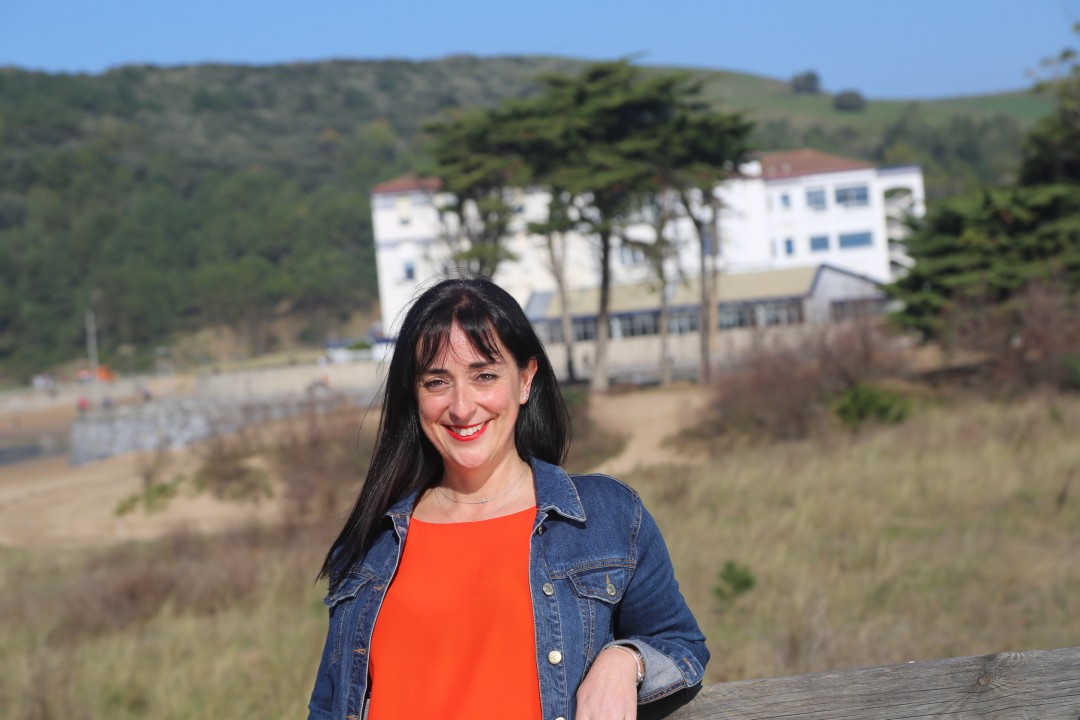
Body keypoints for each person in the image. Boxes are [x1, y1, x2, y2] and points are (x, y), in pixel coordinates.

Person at [307, 276, 707, 720]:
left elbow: (681, 646)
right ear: (413, 394)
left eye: (484, 376)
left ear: (525, 380)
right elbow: (328, 706)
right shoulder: (372, 541)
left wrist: (625, 661)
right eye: (437, 382)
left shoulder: (606, 517)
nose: (462, 407)